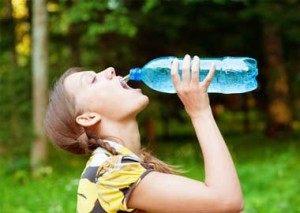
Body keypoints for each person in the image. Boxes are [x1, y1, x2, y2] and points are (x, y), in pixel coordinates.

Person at [45, 54, 244, 213]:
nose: (110, 70)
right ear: (88, 117)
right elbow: (227, 200)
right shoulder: (111, 173)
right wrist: (199, 112)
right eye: (93, 80)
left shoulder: (118, 166)